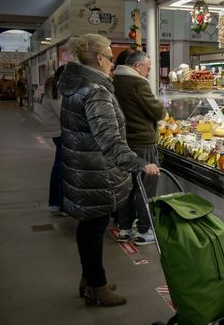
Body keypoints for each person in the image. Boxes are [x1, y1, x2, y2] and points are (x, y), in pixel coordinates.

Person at [58, 34, 159, 307]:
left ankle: (91, 279)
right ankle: (96, 287)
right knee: (93, 228)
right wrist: (140, 163)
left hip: (83, 168)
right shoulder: (96, 90)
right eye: (110, 58)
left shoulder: (74, 84)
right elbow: (110, 141)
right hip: (96, 173)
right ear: (100, 59)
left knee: (89, 227)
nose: (112, 64)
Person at [112, 49, 166, 245]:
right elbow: (157, 111)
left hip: (124, 142)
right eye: (148, 69)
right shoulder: (137, 82)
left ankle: (125, 228)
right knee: (146, 188)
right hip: (143, 142)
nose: (148, 73)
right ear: (137, 66)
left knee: (126, 188)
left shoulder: (113, 81)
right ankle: (144, 231)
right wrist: (162, 107)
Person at [40, 65, 66, 214]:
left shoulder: (54, 86)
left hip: (58, 132)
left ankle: (56, 202)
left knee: (59, 166)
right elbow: (62, 114)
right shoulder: (55, 89)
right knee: (61, 167)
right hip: (60, 132)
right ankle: (60, 203)